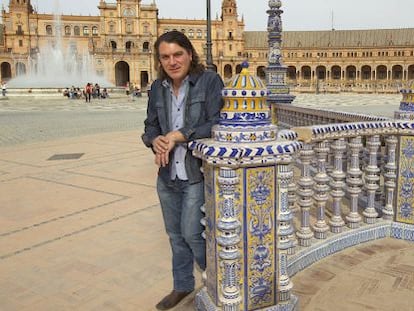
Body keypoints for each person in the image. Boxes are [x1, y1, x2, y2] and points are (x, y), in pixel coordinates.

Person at [142, 30, 224, 310]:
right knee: (174, 235)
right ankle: (182, 286)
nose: (172, 61)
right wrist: (155, 140)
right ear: (159, 61)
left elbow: (216, 122)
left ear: (190, 54)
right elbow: (150, 126)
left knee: (191, 232)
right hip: (167, 176)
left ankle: (217, 282)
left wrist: (180, 135)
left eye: (178, 54)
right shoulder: (157, 88)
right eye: (165, 56)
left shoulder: (209, 81)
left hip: (194, 174)